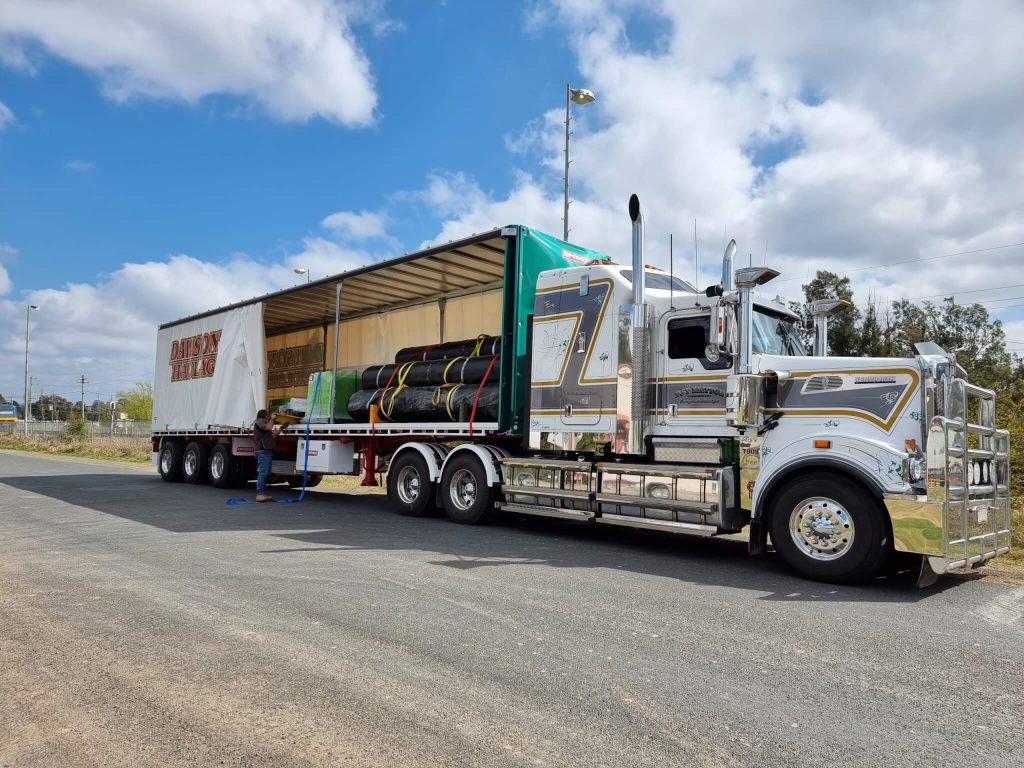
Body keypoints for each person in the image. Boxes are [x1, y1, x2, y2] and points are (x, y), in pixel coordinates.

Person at [253, 409, 282, 502]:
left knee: (266, 473)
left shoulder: (264, 425)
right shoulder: (259, 422)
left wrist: (282, 428)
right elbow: (269, 427)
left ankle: (262, 493)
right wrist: (273, 419)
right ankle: (259, 494)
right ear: (264, 415)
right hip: (262, 452)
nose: (269, 416)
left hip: (267, 452)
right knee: (263, 473)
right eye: (268, 414)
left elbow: (273, 435)